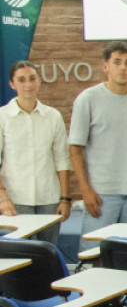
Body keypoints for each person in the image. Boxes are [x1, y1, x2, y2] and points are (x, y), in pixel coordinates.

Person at [70, 42, 127, 250]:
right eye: (117, 62)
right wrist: (85, 190)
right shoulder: (88, 99)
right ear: (105, 66)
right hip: (101, 192)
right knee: (93, 253)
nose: (123, 67)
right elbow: (75, 149)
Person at [0, 61, 73, 244]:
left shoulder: (53, 116)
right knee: (20, 253)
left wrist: (65, 199)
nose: (28, 84)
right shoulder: (3, 117)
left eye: (32, 78)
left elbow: (62, 160)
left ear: (39, 80)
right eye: (21, 80)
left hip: (49, 198)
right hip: (15, 199)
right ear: (12, 84)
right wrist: (2, 197)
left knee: (47, 251)